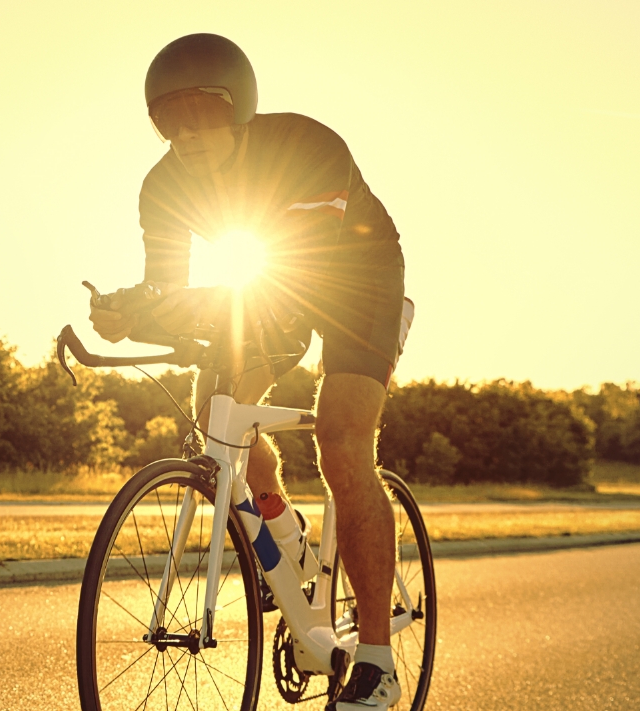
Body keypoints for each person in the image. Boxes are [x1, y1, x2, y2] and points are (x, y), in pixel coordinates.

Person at [88, 33, 411, 709]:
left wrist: (167, 310)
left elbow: (296, 260)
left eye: (203, 109)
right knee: (217, 418)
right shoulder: (162, 186)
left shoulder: (304, 147)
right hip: (266, 293)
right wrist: (129, 312)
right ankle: (285, 542)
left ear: (239, 108)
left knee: (341, 438)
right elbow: (166, 290)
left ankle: (376, 661)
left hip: (356, 283)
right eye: (169, 117)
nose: (187, 129)